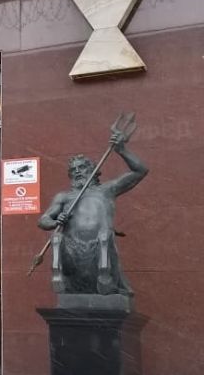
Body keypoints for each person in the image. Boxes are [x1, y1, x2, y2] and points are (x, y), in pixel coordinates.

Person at [37, 124, 148, 295]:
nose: (77, 172)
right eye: (73, 170)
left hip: (99, 247)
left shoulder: (107, 190)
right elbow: (43, 220)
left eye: (82, 168)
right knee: (57, 238)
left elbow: (140, 171)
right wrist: (54, 222)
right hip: (72, 249)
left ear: (93, 170)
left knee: (105, 237)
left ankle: (105, 272)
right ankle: (58, 272)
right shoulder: (64, 197)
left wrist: (122, 150)